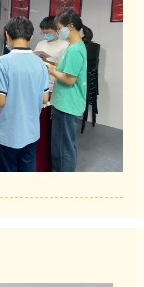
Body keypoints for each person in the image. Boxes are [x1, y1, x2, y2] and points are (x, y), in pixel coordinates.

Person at [0, 20, 50, 172]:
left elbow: (0, 101)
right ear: (31, 37)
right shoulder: (40, 63)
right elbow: (45, 99)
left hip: (8, 133)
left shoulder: (2, 62)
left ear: (7, 35)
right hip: (31, 131)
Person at [47, 12, 88, 169]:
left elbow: (70, 79)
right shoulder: (73, 46)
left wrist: (51, 71)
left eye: (59, 28)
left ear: (70, 26)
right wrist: (54, 66)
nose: (58, 32)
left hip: (67, 104)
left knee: (63, 147)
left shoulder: (75, 49)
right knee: (64, 144)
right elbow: (67, 69)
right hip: (64, 102)